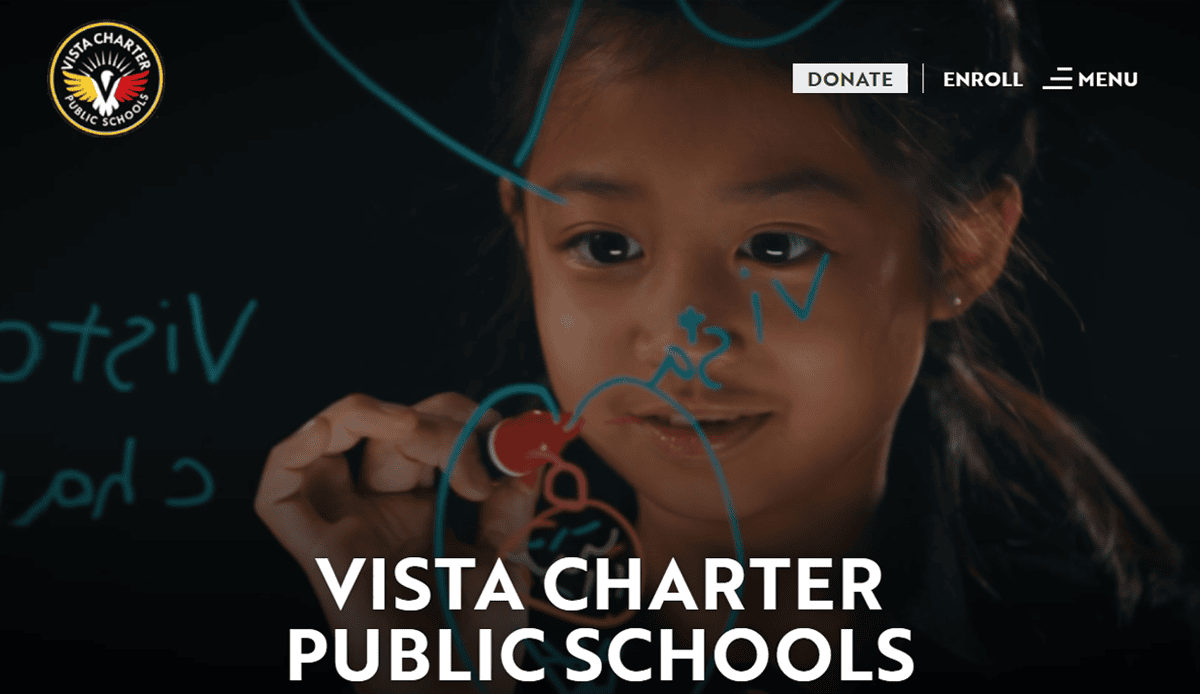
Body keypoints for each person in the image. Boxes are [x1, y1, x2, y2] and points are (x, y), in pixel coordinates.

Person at [256, 1, 1198, 691]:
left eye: (778, 247)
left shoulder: (1121, 656)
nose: (678, 338)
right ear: (524, 233)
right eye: (605, 246)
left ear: (962, 250)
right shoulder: (445, 633)